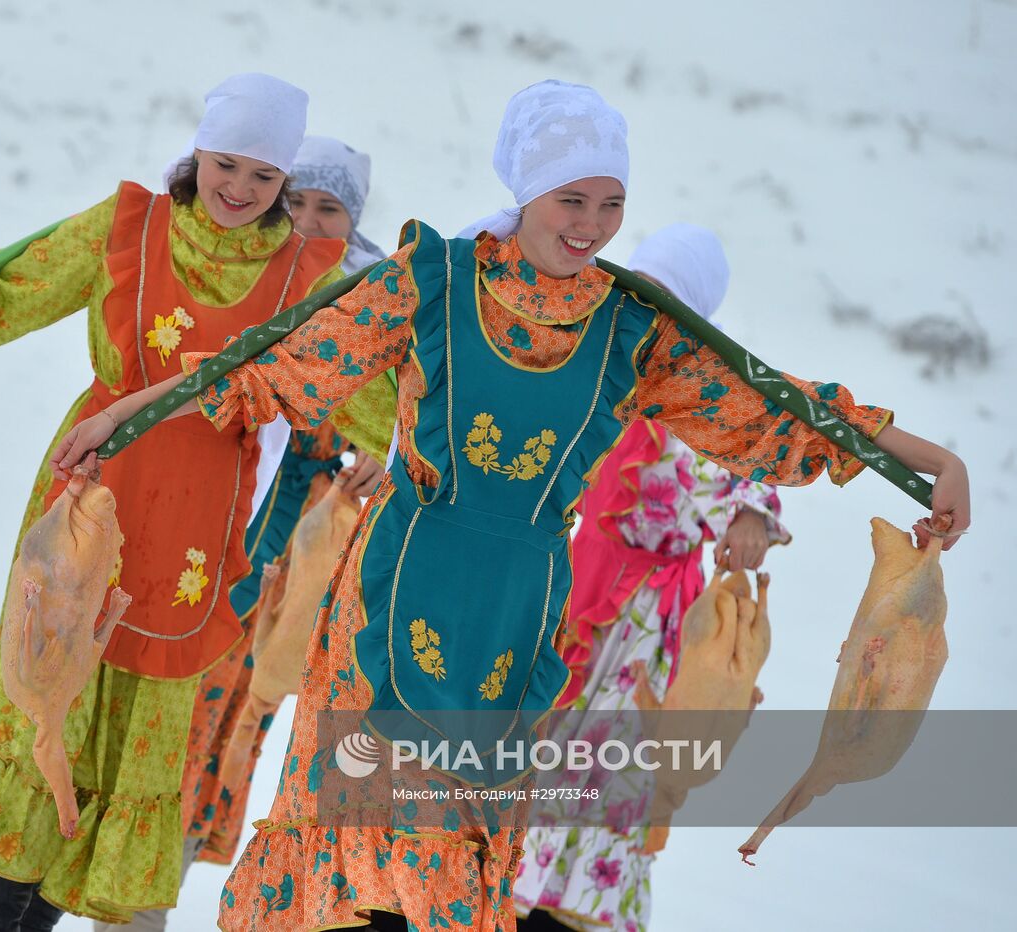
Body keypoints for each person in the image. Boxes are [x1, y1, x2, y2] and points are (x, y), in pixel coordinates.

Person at [47, 79, 970, 931]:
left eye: (612, 205)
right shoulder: (431, 279)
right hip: (392, 586)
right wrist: (122, 417)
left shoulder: (632, 326)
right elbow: (274, 364)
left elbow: (768, 405)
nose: (594, 226)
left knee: (449, 860)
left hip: (516, 614)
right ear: (527, 190)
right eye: (574, 200)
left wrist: (933, 458)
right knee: (352, 843)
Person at [0, 73, 393, 929]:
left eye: (264, 177)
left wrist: (393, 450)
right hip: (90, 496)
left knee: (131, 727)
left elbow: (376, 385)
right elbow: (2, 284)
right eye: (228, 164)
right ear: (198, 153)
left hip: (194, 525)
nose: (241, 190)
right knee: (45, 695)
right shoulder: (132, 228)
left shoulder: (307, 275)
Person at [135, 136, 396, 932]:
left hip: (300, 543)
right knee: (181, 690)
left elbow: (396, 414)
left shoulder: (372, 298)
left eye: (330, 207)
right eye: (298, 203)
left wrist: (375, 459)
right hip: (215, 516)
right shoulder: (254, 276)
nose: (310, 220)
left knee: (244, 707)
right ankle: (131, 871)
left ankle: (163, 877)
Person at [513, 224, 788, 932]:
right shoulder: (590, 366)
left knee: (603, 776)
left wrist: (748, 517)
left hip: (640, 625)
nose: (638, 307)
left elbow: (738, 464)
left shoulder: (696, 401)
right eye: (633, 288)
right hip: (567, 593)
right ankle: (510, 898)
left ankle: (576, 914)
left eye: (661, 299)